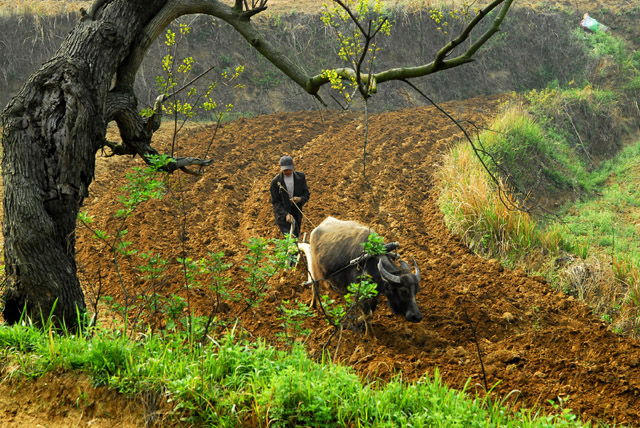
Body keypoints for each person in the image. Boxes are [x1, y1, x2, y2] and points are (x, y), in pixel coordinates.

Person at [270, 155, 310, 239]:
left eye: (289, 169)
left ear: (293, 165)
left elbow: (306, 194)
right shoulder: (275, 182)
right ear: (279, 167)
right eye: (285, 170)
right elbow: (276, 202)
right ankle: (292, 250)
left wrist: (300, 199)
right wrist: (285, 215)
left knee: (296, 235)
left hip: (296, 212)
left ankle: (294, 250)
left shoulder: (300, 177)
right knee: (289, 237)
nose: (288, 171)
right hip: (283, 215)